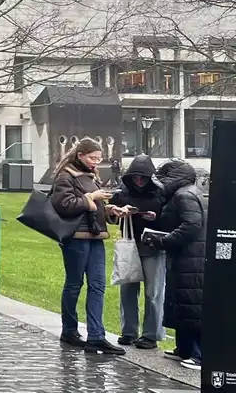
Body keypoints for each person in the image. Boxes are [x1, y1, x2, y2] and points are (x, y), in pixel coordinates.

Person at [51, 138, 125, 355]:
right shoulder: (65, 176)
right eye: (92, 158)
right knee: (74, 284)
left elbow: (94, 206)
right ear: (80, 155)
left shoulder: (92, 176)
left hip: (95, 236)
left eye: (98, 158)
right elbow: (64, 205)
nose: (96, 162)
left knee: (98, 285)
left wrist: (110, 210)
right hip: (75, 237)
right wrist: (91, 197)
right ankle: (70, 330)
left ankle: (96, 336)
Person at [155, 160, 206, 370]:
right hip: (185, 255)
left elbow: (192, 225)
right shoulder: (185, 193)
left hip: (191, 256)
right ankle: (184, 348)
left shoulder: (184, 195)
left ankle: (199, 354)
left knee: (191, 303)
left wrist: (164, 241)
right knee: (182, 302)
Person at [110, 155, 166, 349]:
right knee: (128, 289)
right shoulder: (122, 193)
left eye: (143, 178)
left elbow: (169, 221)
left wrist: (156, 218)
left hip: (153, 246)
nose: (139, 181)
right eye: (136, 177)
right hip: (131, 245)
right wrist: (119, 211)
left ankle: (151, 335)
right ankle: (129, 331)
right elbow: (111, 217)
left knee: (153, 292)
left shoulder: (161, 194)